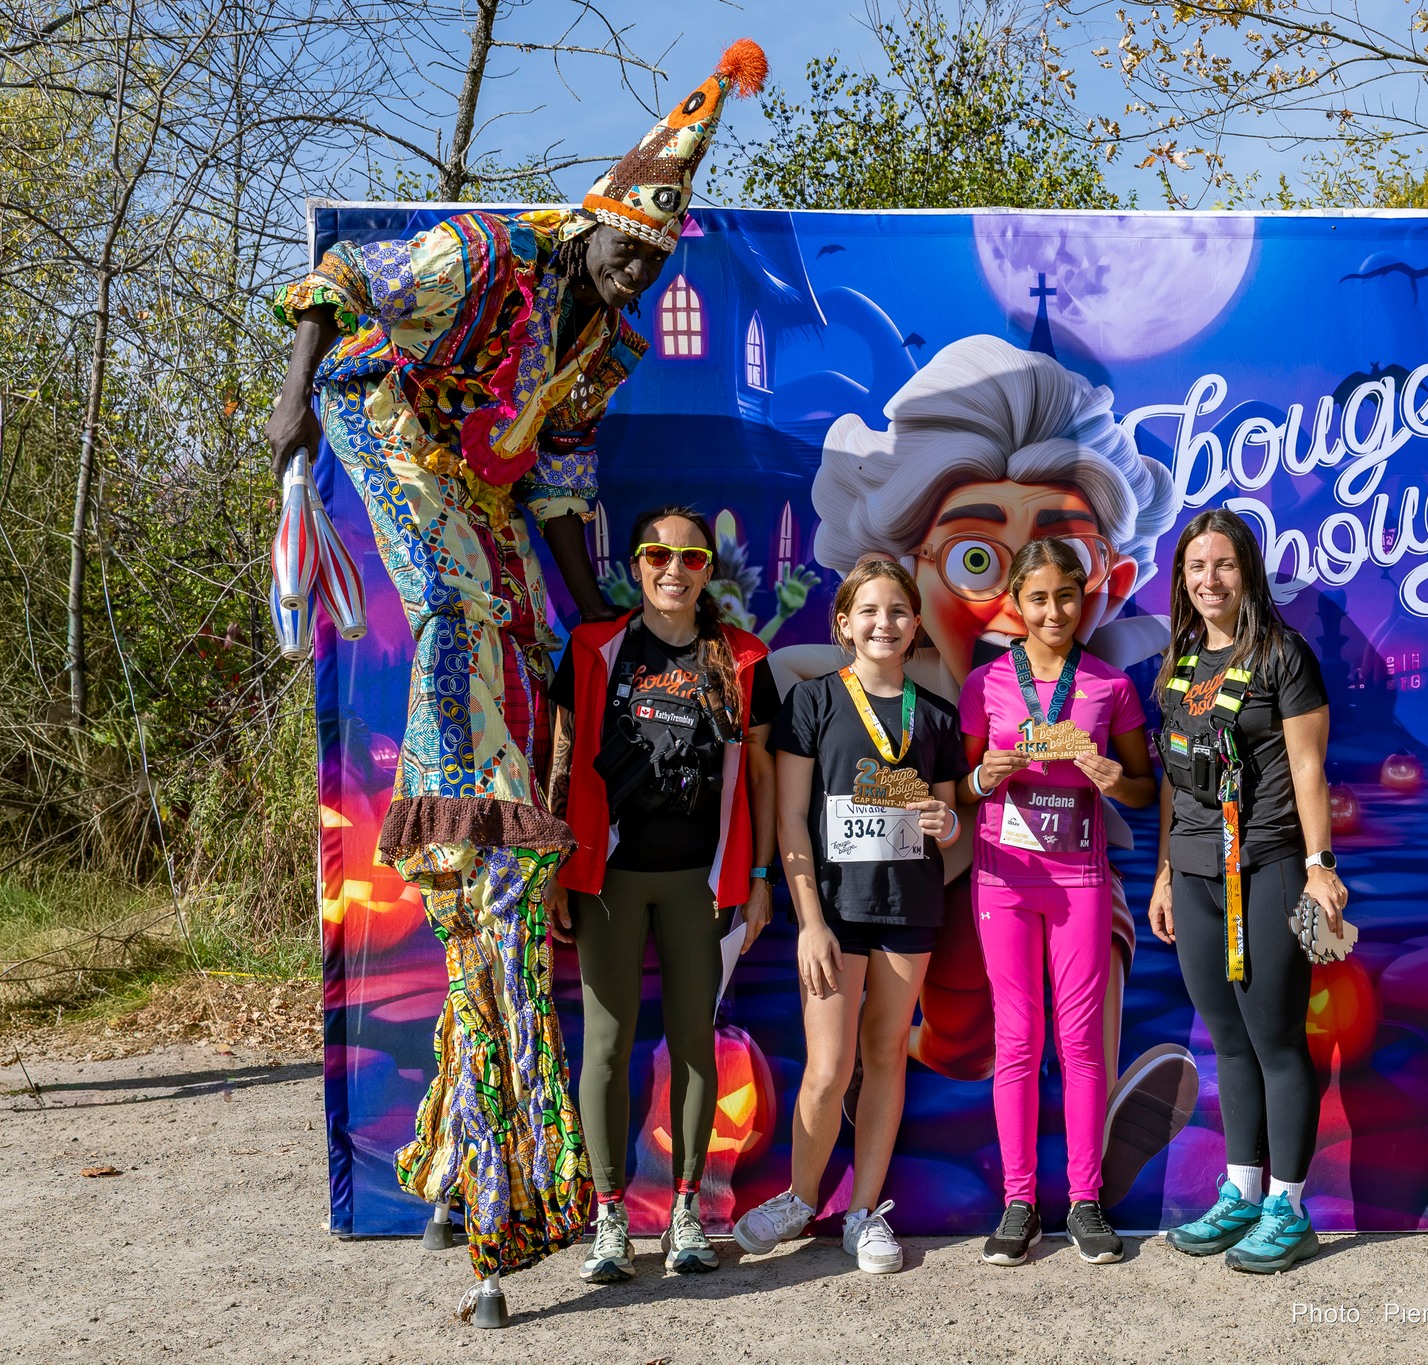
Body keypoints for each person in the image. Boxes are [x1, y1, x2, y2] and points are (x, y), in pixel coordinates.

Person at [262, 40, 766, 1327]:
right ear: (591, 224)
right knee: (453, 604)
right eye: (624, 252)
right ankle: (459, 790)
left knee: (528, 646)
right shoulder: (486, 253)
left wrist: (599, 619)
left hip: (483, 486)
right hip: (384, 423)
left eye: (653, 266)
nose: (633, 275)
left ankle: (496, 797)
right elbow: (337, 283)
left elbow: (561, 487)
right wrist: (293, 404)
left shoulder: (605, 350)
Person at [770, 335, 1198, 1211]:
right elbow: (802, 751)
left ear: (1106, 582)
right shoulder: (870, 685)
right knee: (951, 1041)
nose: (1016, 602)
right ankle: (860, 1121)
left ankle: (1095, 1137)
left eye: (1062, 572)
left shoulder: (1106, 677)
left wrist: (1098, 776)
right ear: (911, 573)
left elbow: (1142, 774)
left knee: (1095, 952)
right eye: (975, 558)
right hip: (923, 898)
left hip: (1054, 875)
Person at [548, 506, 778, 1280]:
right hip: (608, 877)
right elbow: (561, 758)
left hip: (700, 882)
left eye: (690, 557)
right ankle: (610, 1215)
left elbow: (761, 777)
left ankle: (686, 1211)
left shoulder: (742, 657)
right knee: (606, 1046)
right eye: (657, 554)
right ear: (636, 564)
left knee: (694, 1044)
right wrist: (554, 869)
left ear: (708, 569)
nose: (673, 568)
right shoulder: (595, 648)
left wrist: (759, 878)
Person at [734, 560, 967, 1274]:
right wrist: (809, 921)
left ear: (916, 624)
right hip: (833, 913)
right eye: (868, 610)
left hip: (908, 907)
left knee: (886, 1054)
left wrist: (947, 823)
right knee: (829, 1067)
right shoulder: (813, 701)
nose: (883, 623)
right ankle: (802, 1197)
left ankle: (864, 1211)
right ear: (844, 623)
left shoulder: (937, 715)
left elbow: (948, 819)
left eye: (897, 611)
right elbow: (791, 820)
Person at [1148, 508, 1348, 1274]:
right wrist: (1166, 872)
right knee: (1227, 1041)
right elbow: (1174, 781)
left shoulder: (1283, 656)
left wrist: (1319, 863)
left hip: (1267, 866)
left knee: (1276, 1039)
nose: (1210, 579)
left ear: (1248, 573)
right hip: (1195, 873)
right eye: (1197, 566)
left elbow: (1307, 766)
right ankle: (1241, 1191)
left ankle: (1287, 1208)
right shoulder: (1179, 663)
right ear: (1182, 578)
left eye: (1224, 564)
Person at [956, 539, 1156, 1266]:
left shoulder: (1110, 686)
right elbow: (958, 789)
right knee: (1016, 1040)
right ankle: (1019, 1202)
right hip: (1004, 880)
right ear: (1015, 602)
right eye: (1037, 598)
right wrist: (984, 777)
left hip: (1079, 883)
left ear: (1084, 600)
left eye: (1066, 597)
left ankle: (1084, 1200)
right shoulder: (984, 683)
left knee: (1081, 1042)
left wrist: (1112, 779)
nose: (1052, 612)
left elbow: (1144, 789)